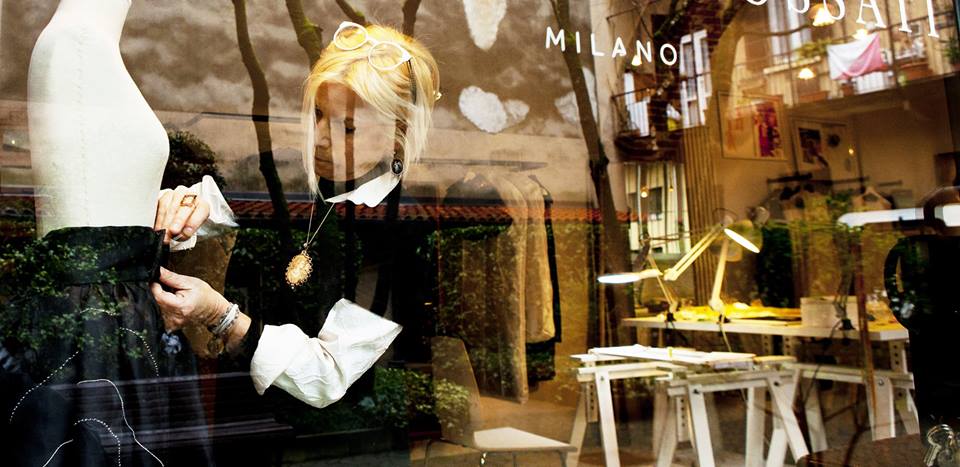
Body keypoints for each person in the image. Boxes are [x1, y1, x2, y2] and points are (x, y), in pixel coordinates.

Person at [150, 21, 440, 408]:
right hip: (231, 406)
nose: (320, 138)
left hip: (333, 434)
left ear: (397, 132)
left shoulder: (402, 228)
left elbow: (326, 377)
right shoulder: (281, 173)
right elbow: (206, 208)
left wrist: (220, 315)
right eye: (318, 113)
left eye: (347, 127)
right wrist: (181, 209)